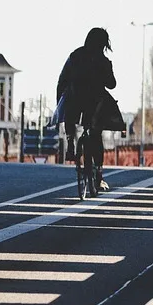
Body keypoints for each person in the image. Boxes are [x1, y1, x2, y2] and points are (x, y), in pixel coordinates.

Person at [56, 27, 116, 190]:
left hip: (75, 100)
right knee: (96, 134)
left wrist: (58, 105)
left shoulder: (75, 56)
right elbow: (112, 84)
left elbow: (62, 80)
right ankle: (99, 173)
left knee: (69, 107)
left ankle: (70, 141)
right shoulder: (102, 60)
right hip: (95, 103)